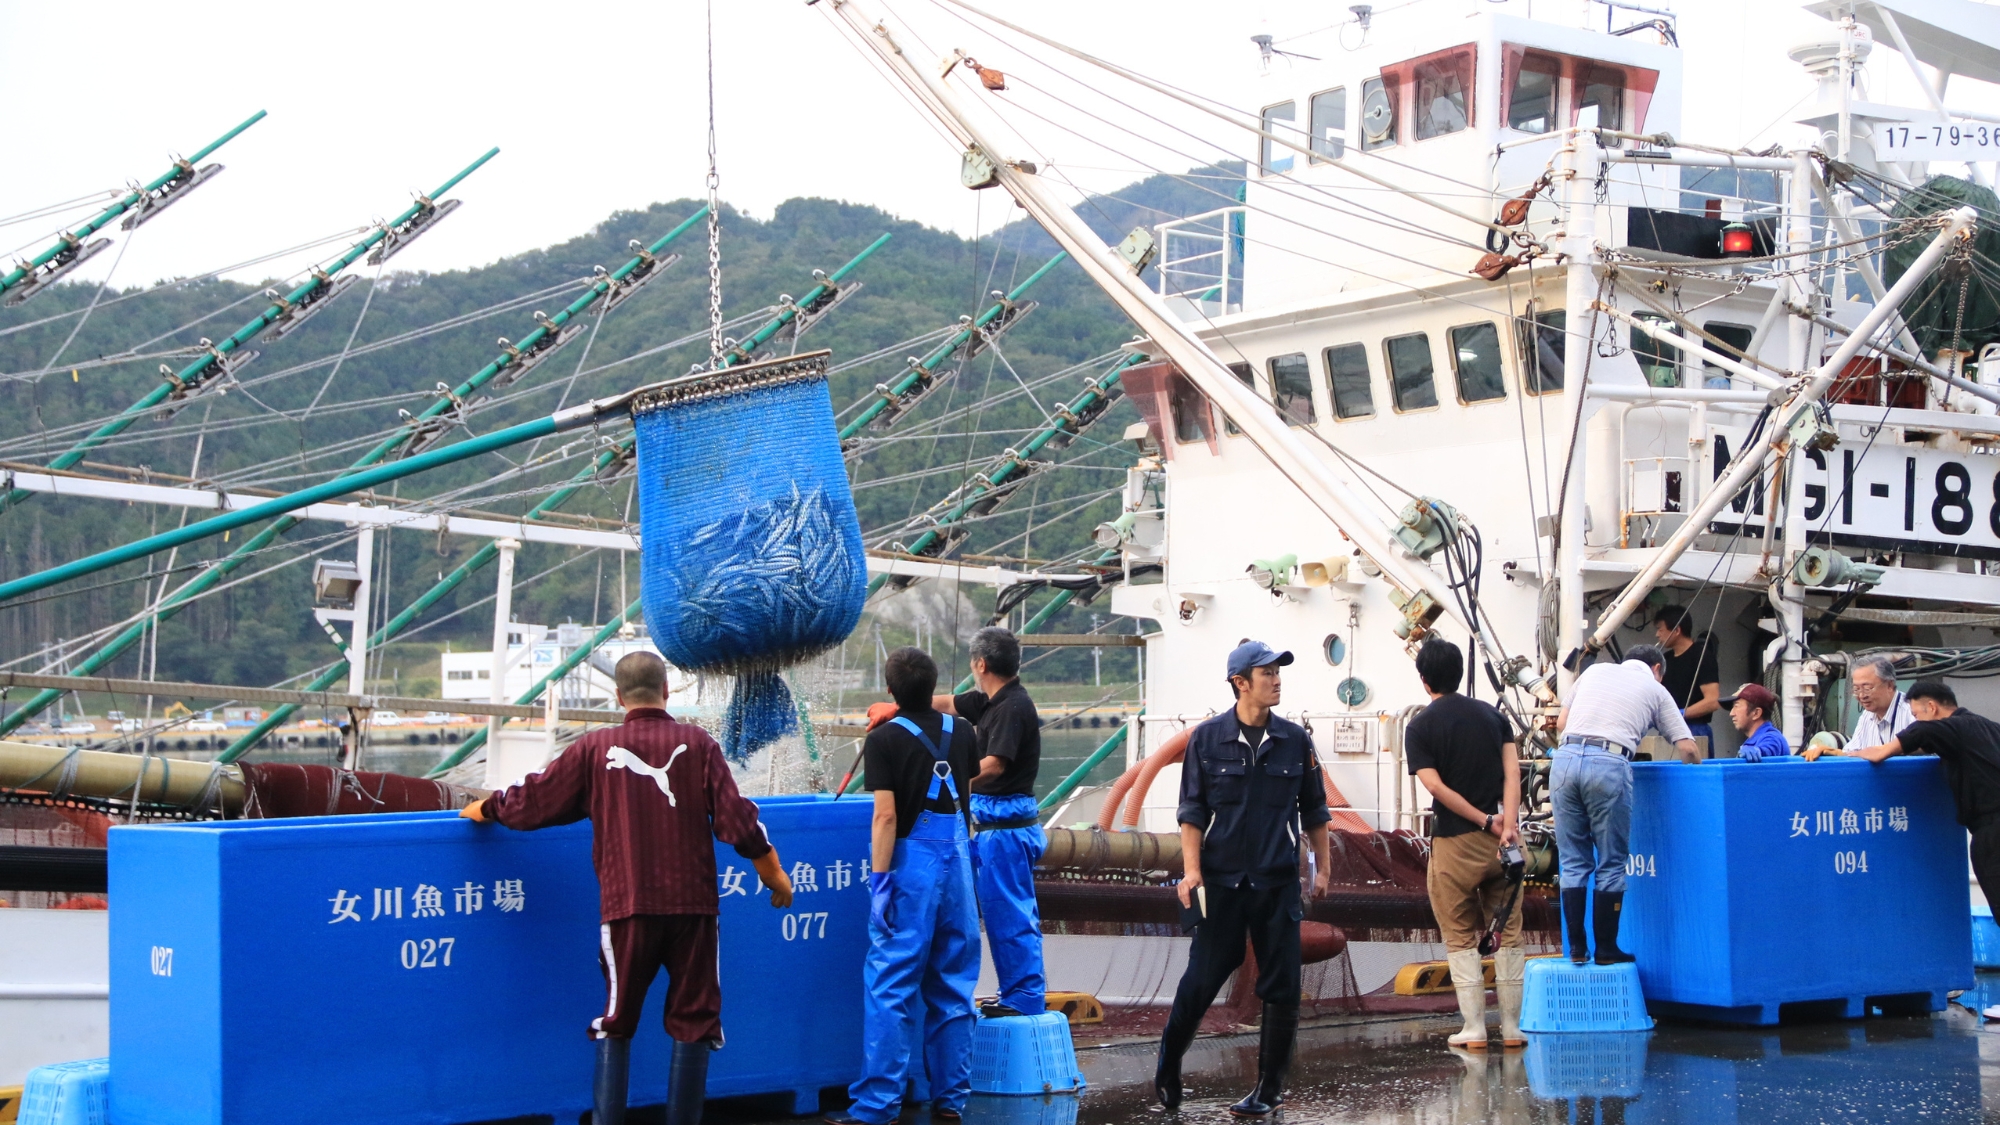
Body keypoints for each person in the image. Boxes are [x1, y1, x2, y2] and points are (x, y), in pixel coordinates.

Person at [460, 651, 794, 1125]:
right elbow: (737, 820)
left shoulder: (594, 749)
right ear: (667, 691)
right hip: (693, 909)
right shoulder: (698, 744)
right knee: (695, 1016)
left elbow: (536, 799)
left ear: (618, 697)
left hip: (626, 907)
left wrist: (488, 809)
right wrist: (772, 871)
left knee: (617, 1019)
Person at [1156, 640, 1331, 1117]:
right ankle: (1169, 1064)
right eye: (1267, 672)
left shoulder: (1295, 740)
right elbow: (1191, 811)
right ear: (1240, 682)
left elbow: (1314, 810)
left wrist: (1323, 867)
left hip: (1277, 882)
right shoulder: (1207, 739)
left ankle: (1268, 1091)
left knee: (1282, 984)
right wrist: (1192, 872)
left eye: (1278, 672)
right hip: (1222, 881)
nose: (1277, 680)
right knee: (1204, 975)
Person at [828, 648, 981, 1125]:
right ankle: (952, 1099)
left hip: (912, 868)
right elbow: (966, 795)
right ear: (933, 684)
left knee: (891, 984)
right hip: (957, 864)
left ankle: (877, 1106)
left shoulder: (885, 740)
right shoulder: (965, 733)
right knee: (954, 984)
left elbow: (886, 817)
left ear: (890, 691)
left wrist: (879, 882)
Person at [1404, 638, 1524, 1050]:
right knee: (1509, 934)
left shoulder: (1420, 726)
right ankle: (1512, 1028)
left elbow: (1434, 784)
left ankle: (1473, 1029)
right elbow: (1513, 773)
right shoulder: (1493, 717)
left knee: (1458, 935)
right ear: (1458, 673)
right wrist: (1506, 823)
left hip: (1456, 841)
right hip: (1504, 845)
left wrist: (1483, 819)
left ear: (1424, 680)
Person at [1554, 645, 1699, 965]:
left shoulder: (1593, 671)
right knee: (1610, 862)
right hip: (1608, 764)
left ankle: (1577, 948)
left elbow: (1561, 723)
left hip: (1564, 761)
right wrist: (1700, 769)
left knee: (1573, 863)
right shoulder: (1655, 689)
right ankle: (1606, 949)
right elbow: (1687, 748)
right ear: (1657, 669)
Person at [935, 626, 1046, 1018]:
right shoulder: (991, 702)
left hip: (1007, 830)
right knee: (1001, 913)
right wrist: (901, 707)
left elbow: (995, 765)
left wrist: (947, 782)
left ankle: (1024, 997)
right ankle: (1015, 991)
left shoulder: (1013, 707)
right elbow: (948, 703)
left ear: (980, 664)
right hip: (992, 829)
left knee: (1010, 914)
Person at [1806, 679, 2000, 903]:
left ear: (1932, 707)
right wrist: (1842, 753)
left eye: (1916, 714)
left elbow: (1919, 734)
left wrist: (1878, 752)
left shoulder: (1950, 727)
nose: (1916, 720)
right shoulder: (1988, 729)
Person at [1653, 607, 1721, 754]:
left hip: (1695, 729)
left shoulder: (1702, 656)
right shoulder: (1665, 659)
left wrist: (1680, 713)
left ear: (1676, 630)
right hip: (1668, 730)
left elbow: (1712, 701)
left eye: (1660, 629)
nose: (1657, 634)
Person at [1849, 655, 1915, 750]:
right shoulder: (1866, 716)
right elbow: (1852, 752)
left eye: (1867, 688)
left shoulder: (1911, 711)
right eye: (1856, 689)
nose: (1862, 696)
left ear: (1889, 685)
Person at [1720, 683, 1790, 761]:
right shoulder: (1755, 740)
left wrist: (1759, 751)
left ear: (1756, 713)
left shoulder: (1771, 737)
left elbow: (1769, 748)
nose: (1731, 713)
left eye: (1737, 706)